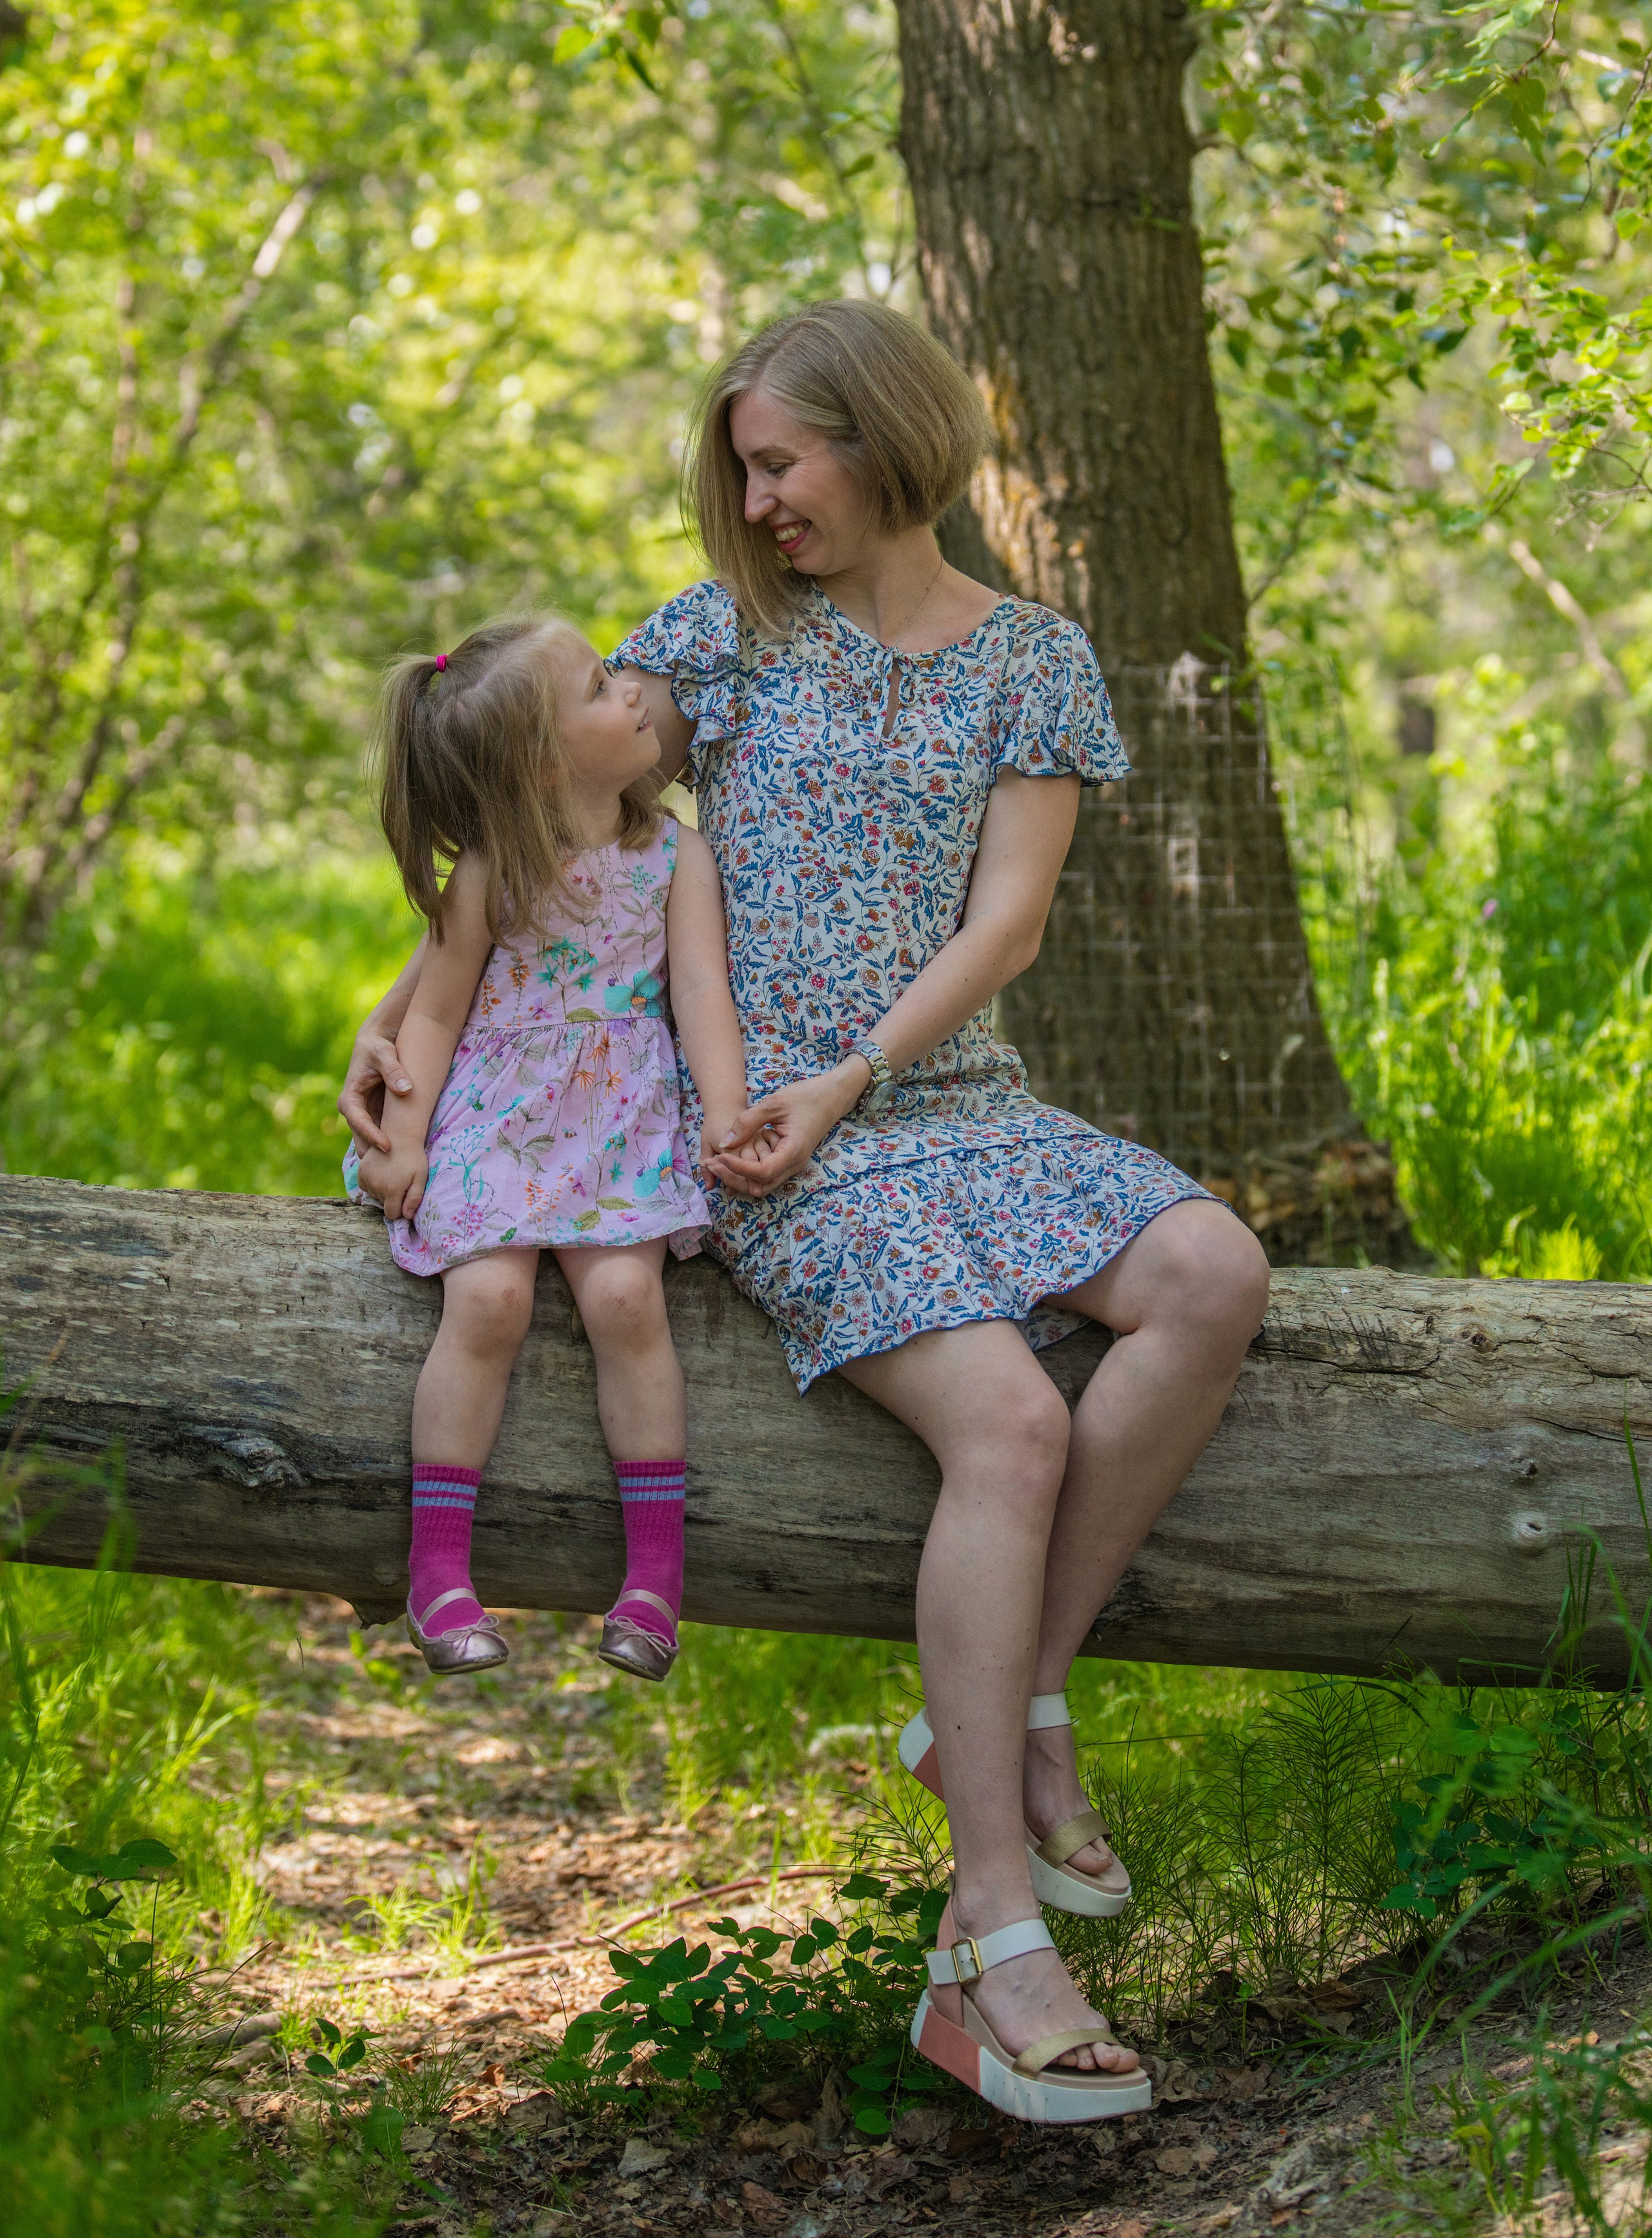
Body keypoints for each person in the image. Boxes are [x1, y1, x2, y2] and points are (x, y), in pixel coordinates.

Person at [342, 302, 1271, 2122]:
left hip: (951, 1101)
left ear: (888, 437)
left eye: (784, 462)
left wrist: (868, 1065)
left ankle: (1000, 1708)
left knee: (1216, 1270)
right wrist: (400, 1020)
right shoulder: (722, 643)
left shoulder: (1036, 658)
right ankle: (997, 1929)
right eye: (746, 469)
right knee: (1007, 1419)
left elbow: (1004, 927)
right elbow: (542, 800)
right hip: (770, 1141)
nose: (755, 502)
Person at [346, 615, 749, 1685]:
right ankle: (440, 1572)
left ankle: (655, 1577)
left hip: (621, 1129)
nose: (634, 697)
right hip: (497, 1121)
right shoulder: (491, 871)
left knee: (626, 1301)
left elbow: (702, 991)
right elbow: (431, 1018)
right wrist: (403, 1140)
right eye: (604, 687)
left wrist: (724, 1113)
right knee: (489, 1304)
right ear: (544, 758)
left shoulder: (675, 855)